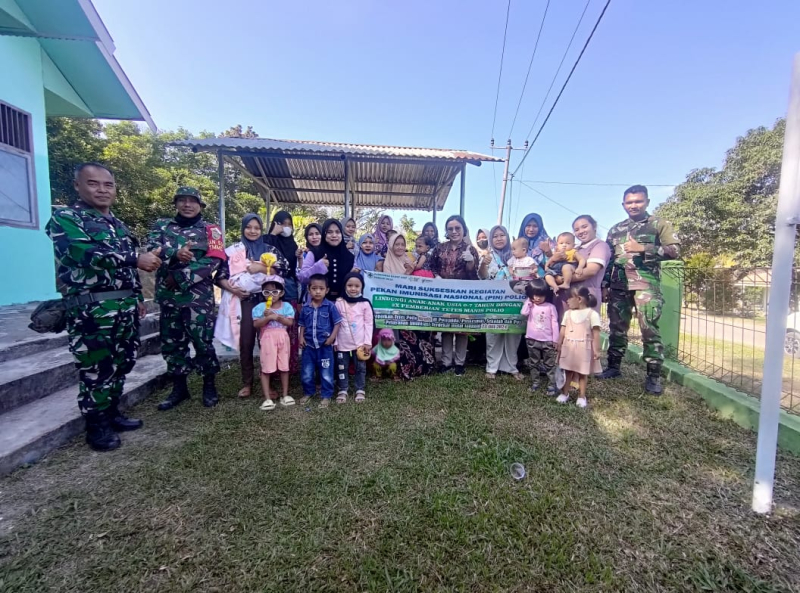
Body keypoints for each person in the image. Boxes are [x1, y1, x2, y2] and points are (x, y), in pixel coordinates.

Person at [46, 163, 161, 451]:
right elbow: (81, 252)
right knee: (96, 367)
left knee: (122, 362)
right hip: (92, 309)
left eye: (107, 185)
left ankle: (112, 412)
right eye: (93, 183)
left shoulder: (118, 224)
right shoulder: (66, 218)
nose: (101, 190)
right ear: (78, 186)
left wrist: (137, 296)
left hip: (123, 306)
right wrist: (134, 259)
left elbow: (128, 271)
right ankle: (96, 425)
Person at [146, 186, 226, 411]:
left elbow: (215, 260)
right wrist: (174, 254)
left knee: (203, 342)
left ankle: (208, 385)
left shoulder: (211, 230)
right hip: (169, 298)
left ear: (200, 205)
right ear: (176, 204)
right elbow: (151, 249)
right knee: (172, 343)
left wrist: (182, 276)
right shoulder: (162, 226)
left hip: (197, 300)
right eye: (182, 200)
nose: (187, 205)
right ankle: (179, 388)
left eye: (192, 201)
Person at [600, 185, 680, 395]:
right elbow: (610, 259)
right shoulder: (616, 229)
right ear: (623, 204)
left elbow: (674, 251)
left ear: (646, 202)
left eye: (638, 201)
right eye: (629, 202)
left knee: (648, 330)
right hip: (619, 285)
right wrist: (605, 284)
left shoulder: (658, 224)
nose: (633, 205)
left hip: (645, 285)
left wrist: (644, 248)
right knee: (617, 328)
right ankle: (613, 367)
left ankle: (653, 376)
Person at [215, 214, 288, 399]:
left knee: (268, 342)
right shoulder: (234, 250)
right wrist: (235, 291)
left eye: (256, 227)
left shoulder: (269, 249)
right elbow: (219, 276)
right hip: (245, 302)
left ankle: (269, 382)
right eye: (249, 227)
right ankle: (247, 383)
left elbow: (286, 268)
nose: (253, 231)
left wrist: (262, 268)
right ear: (243, 228)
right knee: (246, 341)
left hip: (268, 301)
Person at [429, 215, 479, 376]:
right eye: (450, 229)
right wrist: (436, 276)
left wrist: (470, 262)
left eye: (457, 228)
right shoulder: (439, 248)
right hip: (443, 293)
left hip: (463, 294)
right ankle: (445, 362)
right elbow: (432, 266)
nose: (454, 231)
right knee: (446, 327)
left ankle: (459, 362)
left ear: (463, 229)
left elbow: (475, 276)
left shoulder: (470, 249)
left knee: (461, 328)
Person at [480, 224, 523, 381]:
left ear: (507, 236)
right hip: (493, 301)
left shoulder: (517, 256)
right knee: (493, 334)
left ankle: (511, 366)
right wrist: (484, 263)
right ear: (491, 239)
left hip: (514, 301)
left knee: (513, 335)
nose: (499, 238)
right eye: (495, 236)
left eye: (502, 235)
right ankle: (492, 367)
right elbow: (482, 276)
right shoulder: (488, 256)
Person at [264, 211, 303, 374]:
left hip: (290, 287)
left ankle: (291, 365)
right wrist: (274, 232)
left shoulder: (292, 245)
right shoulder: (267, 239)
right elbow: (265, 252)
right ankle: (272, 366)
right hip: (272, 287)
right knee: (272, 324)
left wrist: (298, 257)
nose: (286, 228)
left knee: (290, 324)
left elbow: (296, 270)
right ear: (276, 223)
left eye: (289, 224)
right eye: (283, 223)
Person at [298, 274, 343, 408]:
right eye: (314, 288)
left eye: (321, 289)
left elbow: (337, 323)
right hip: (309, 346)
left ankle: (326, 395)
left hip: (325, 347)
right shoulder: (306, 308)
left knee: (326, 373)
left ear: (327, 290)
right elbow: (302, 324)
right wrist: (301, 337)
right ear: (309, 289)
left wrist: (332, 338)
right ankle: (308, 392)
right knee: (306, 372)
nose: (318, 291)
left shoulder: (330, 306)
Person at [552, 215, 611, 316]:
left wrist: (561, 280)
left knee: (582, 329)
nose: (581, 231)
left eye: (584, 227)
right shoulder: (576, 249)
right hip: (567, 298)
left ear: (594, 226)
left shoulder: (600, 246)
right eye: (577, 229)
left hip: (586, 296)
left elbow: (591, 270)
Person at [252, 276, 295, 411]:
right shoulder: (259, 308)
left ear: (281, 293)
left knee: (284, 366)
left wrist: (277, 316)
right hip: (267, 339)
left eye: (275, 292)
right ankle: (267, 398)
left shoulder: (286, 306)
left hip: (283, 338)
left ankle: (285, 394)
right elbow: (256, 324)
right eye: (267, 292)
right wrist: (267, 317)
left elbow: (290, 323)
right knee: (266, 367)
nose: (271, 295)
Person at [557, 286, 602, 408]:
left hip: (584, 348)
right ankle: (565, 393)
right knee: (568, 371)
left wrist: (597, 350)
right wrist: (559, 343)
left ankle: (582, 396)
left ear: (579, 299)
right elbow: (563, 330)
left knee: (583, 373)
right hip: (569, 346)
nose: (567, 301)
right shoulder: (568, 313)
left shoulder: (592, 314)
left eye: (569, 298)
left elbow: (596, 334)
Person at [334, 272, 373, 403]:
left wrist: (367, 342)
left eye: (357, 285)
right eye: (349, 285)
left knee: (360, 367)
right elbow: (335, 323)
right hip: (342, 343)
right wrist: (335, 341)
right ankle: (343, 389)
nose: (353, 288)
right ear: (345, 286)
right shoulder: (339, 303)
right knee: (341, 367)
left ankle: (360, 389)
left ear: (362, 287)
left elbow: (369, 323)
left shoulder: (365, 304)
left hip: (361, 344)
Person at [522, 279, 560, 396]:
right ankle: (535, 383)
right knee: (533, 363)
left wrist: (555, 339)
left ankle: (551, 386)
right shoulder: (530, 305)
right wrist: (528, 301)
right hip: (532, 339)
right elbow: (523, 313)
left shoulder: (550, 307)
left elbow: (555, 323)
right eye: (534, 295)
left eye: (541, 295)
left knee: (550, 365)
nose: (537, 298)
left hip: (548, 341)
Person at [320, 218, 355, 300]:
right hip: (319, 303)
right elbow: (303, 277)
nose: (334, 235)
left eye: (337, 232)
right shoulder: (315, 253)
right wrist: (317, 266)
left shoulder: (349, 257)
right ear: (324, 234)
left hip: (344, 303)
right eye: (329, 232)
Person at [298, 223, 328, 298]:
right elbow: (302, 276)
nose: (314, 237)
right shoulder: (309, 253)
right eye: (310, 234)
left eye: (317, 234)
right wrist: (319, 265)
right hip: (313, 297)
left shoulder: (331, 249)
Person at [518, 213, 553, 277]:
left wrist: (548, 252)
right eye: (528, 225)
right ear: (523, 227)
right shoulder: (518, 244)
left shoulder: (547, 242)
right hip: (523, 282)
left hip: (543, 282)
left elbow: (555, 266)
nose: (531, 229)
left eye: (535, 226)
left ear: (539, 227)